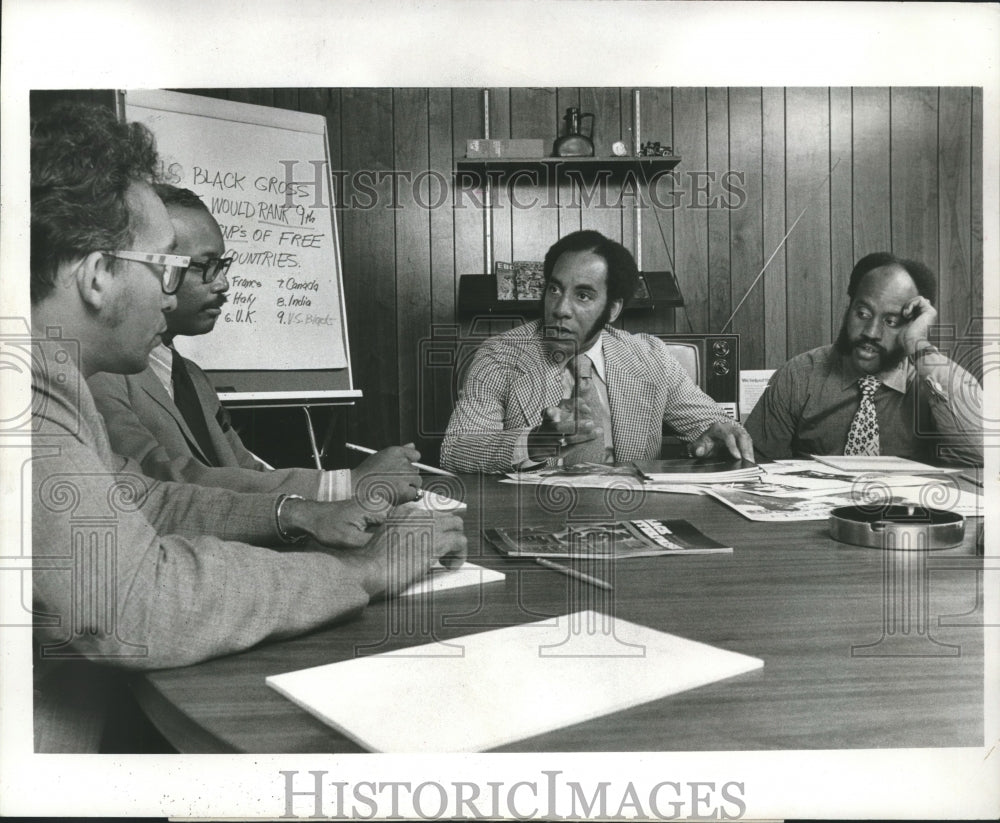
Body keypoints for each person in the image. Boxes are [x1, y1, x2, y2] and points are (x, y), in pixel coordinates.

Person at [29, 102, 466, 753]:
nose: (172, 296)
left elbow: (145, 497)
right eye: (167, 269)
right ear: (97, 276)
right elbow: (134, 605)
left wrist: (295, 514)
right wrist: (365, 572)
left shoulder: (51, 369)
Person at [88, 184, 419, 504]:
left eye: (223, 266)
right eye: (207, 266)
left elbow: (245, 471)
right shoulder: (100, 374)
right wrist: (342, 485)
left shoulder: (193, 378)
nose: (223, 283)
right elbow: (164, 484)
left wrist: (333, 505)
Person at [441, 230, 753, 473]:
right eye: (554, 289)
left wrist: (720, 435)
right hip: (537, 517)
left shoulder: (650, 356)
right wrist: (536, 442)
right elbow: (456, 450)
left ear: (613, 308)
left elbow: (709, 422)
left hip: (632, 514)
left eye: (584, 296)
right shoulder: (500, 356)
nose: (561, 309)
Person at [744, 252, 982, 464]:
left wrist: (918, 345)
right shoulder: (799, 376)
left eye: (891, 322)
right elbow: (753, 465)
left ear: (912, 323)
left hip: (908, 512)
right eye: (863, 314)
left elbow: (985, 451)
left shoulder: (929, 382)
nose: (871, 332)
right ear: (849, 308)